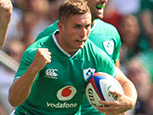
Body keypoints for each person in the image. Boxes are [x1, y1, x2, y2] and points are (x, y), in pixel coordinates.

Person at [9, 0, 137, 114]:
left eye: (87, 27)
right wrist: (33, 69)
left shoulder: (95, 55)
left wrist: (129, 102)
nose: (83, 34)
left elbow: (123, 81)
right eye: (77, 27)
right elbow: (14, 100)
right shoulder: (38, 51)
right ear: (60, 27)